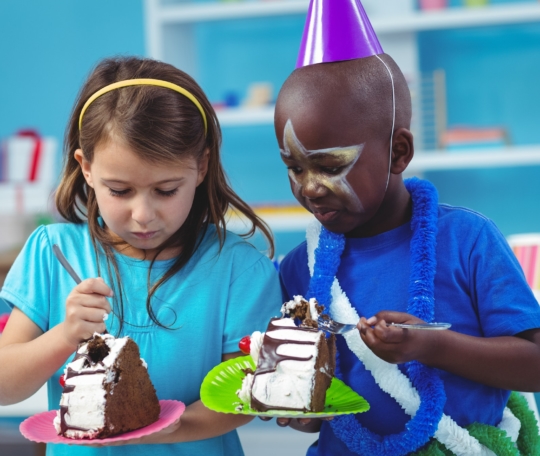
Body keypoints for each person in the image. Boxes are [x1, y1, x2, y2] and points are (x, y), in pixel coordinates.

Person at [272, 0, 540, 454]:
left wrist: (432, 347)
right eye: (294, 168)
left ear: (398, 152)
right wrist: (286, 401)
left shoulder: (468, 240)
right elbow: (305, 415)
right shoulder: (301, 268)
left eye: (331, 165)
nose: (310, 188)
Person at [0, 56, 282, 455]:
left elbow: (245, 394)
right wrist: (64, 336)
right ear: (87, 168)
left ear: (201, 166)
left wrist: (169, 430)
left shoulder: (238, 269)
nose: (143, 215)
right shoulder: (52, 252)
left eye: (166, 190)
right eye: (119, 190)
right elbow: (5, 387)